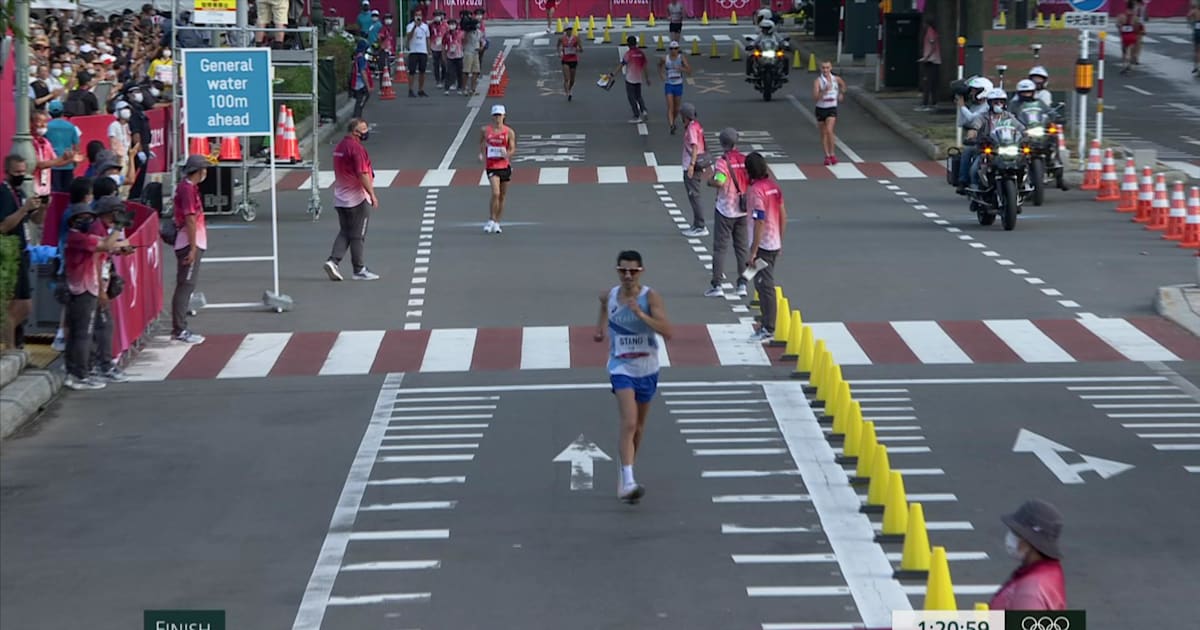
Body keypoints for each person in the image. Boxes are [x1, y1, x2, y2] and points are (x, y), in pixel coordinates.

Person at [593, 250, 673, 504]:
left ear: (641, 272)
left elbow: (667, 331)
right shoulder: (610, 295)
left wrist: (641, 315)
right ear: (617, 270)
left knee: (638, 427)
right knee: (629, 422)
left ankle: (626, 472)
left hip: (647, 368)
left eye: (633, 271)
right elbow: (604, 307)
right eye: (623, 270)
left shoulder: (650, 297)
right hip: (621, 367)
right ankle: (628, 481)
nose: (627, 276)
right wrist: (600, 328)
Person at [62, 195, 130, 390]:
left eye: (89, 217)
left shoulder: (84, 236)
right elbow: (105, 246)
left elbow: (106, 245)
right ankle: (80, 374)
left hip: (86, 287)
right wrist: (118, 228)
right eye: (82, 218)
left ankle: (80, 371)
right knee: (83, 333)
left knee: (83, 332)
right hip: (83, 288)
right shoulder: (78, 237)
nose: (87, 221)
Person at [324, 119, 380, 281]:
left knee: (346, 231)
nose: (366, 131)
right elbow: (362, 173)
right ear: (355, 132)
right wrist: (372, 194)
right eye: (363, 129)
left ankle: (333, 261)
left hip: (340, 197)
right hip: (356, 198)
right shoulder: (356, 149)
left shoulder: (340, 146)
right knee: (358, 235)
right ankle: (359, 268)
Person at [989, 499, 1067, 610]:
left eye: (1016, 533)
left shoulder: (1029, 594)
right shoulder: (1049, 570)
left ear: (1029, 541)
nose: (1010, 537)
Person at [0, 155, 44, 350]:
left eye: (23, 172)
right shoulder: (3, 194)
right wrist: (23, 209)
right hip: (11, 256)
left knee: (23, 305)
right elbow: (4, 226)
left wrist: (42, 208)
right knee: (19, 306)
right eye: (17, 172)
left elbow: (35, 220)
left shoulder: (20, 192)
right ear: (7, 172)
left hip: (23, 253)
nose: (21, 176)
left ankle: (16, 346)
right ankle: (9, 347)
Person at [745, 152, 787, 343]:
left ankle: (768, 327)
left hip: (762, 245)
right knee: (760, 283)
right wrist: (780, 239)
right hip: (773, 242)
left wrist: (753, 252)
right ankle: (766, 324)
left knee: (764, 285)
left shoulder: (755, 191)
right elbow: (783, 215)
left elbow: (759, 221)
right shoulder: (773, 187)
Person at [171, 155, 211, 344]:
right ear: (198, 171)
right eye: (204, 169)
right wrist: (193, 249)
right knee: (185, 286)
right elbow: (190, 219)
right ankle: (179, 329)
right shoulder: (187, 189)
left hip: (191, 242)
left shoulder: (190, 188)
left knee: (187, 286)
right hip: (188, 243)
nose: (206, 173)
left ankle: (180, 327)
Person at [705, 128, 750, 298]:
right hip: (743, 210)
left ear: (722, 143)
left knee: (720, 249)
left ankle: (717, 284)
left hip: (725, 209)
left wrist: (710, 181)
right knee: (741, 249)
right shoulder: (744, 159)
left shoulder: (723, 161)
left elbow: (720, 181)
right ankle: (743, 284)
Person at [965, 88, 1025, 191]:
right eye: (995, 102)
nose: (998, 104)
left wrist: (1029, 135)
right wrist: (971, 136)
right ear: (990, 103)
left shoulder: (1009, 116)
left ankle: (1024, 184)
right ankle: (975, 188)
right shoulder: (983, 117)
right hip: (989, 148)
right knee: (975, 168)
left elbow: (1021, 128)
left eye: (1001, 102)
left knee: (1024, 161)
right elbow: (974, 128)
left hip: (1008, 147)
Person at [480, 105, 516, 234]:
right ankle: (491, 219)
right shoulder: (485, 130)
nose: (497, 118)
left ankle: (497, 222)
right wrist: (481, 154)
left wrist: (506, 154)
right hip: (491, 166)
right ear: (492, 116)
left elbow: (512, 148)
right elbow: (481, 142)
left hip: (504, 166)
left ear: (504, 116)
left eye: (499, 115)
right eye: (495, 115)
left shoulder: (509, 132)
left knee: (502, 196)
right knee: (495, 193)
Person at [955, 75, 993, 193]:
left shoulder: (987, 107)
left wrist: (962, 106)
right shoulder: (974, 106)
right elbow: (962, 122)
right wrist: (961, 108)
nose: (971, 93)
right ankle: (963, 181)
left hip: (991, 140)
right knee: (967, 150)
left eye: (975, 90)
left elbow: (973, 119)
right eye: (971, 90)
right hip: (977, 141)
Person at [679, 102, 708, 238]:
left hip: (691, 165)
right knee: (694, 196)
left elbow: (694, 146)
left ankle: (700, 225)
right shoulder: (697, 125)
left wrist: (691, 165)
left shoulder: (691, 128)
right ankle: (696, 224)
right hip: (698, 164)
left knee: (694, 196)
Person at [45, 100, 83, 193]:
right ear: (62, 112)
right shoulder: (71, 126)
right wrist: (75, 162)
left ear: (49, 113)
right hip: (68, 163)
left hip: (52, 164)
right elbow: (77, 146)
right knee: (66, 194)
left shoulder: (46, 127)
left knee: (54, 193)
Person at [813, 61, 846, 165]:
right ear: (820, 69)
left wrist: (841, 94)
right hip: (820, 109)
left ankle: (832, 154)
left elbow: (843, 85)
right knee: (823, 133)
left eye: (827, 68)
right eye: (823, 68)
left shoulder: (836, 79)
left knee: (829, 130)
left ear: (831, 68)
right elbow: (815, 97)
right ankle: (827, 155)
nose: (825, 70)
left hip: (831, 108)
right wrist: (824, 91)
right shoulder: (818, 81)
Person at [613, 35, 650, 123]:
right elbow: (645, 67)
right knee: (638, 96)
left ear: (628, 44)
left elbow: (622, 65)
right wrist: (647, 78)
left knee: (631, 98)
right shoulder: (641, 53)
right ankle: (644, 110)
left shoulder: (628, 54)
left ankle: (636, 115)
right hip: (638, 78)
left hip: (630, 79)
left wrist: (613, 74)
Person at [658, 41, 690, 134]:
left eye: (675, 49)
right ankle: (671, 125)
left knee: (676, 108)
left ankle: (673, 120)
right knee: (670, 106)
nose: (673, 51)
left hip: (678, 84)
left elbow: (689, 70)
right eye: (671, 49)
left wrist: (682, 69)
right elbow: (659, 65)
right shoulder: (665, 58)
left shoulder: (681, 58)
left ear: (678, 49)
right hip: (669, 84)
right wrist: (661, 74)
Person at [917, 14, 941, 112]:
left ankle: (925, 103)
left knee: (927, 83)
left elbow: (932, 45)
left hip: (930, 60)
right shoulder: (934, 31)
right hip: (935, 60)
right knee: (933, 83)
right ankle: (934, 102)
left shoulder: (930, 31)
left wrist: (925, 57)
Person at [406, 10, 431, 97]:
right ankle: (410, 89)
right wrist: (415, 27)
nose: (418, 17)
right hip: (413, 51)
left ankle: (421, 89)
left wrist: (428, 49)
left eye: (419, 15)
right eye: (416, 15)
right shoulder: (410, 26)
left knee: (422, 71)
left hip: (423, 51)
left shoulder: (425, 26)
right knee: (412, 71)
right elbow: (409, 37)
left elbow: (427, 38)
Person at [349, 39, 373, 119]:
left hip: (356, 83)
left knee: (359, 102)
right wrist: (368, 85)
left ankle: (357, 118)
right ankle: (356, 119)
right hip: (360, 84)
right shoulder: (361, 59)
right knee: (360, 102)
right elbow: (363, 72)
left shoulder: (357, 57)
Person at [557, 25, 582, 101]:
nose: (569, 31)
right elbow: (558, 46)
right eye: (567, 29)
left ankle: (570, 89)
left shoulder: (576, 38)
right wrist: (560, 52)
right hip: (565, 60)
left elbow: (581, 49)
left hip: (573, 60)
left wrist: (578, 49)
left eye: (570, 29)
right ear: (565, 31)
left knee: (572, 80)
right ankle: (567, 93)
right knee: (567, 78)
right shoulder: (562, 39)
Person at [442, 19, 465, 94]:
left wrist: (463, 50)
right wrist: (444, 55)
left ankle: (459, 87)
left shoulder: (461, 33)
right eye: (450, 24)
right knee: (449, 72)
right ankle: (447, 88)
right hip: (450, 55)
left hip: (459, 55)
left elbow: (464, 42)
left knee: (459, 72)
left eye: (453, 24)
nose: (452, 26)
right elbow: (443, 44)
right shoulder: (447, 34)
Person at [428, 11, 447, 89]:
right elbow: (428, 36)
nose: (437, 17)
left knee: (444, 64)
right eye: (436, 16)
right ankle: (438, 80)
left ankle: (443, 79)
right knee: (436, 64)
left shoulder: (445, 25)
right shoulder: (431, 25)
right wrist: (429, 47)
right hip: (434, 47)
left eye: (439, 15)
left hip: (443, 47)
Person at [1189, 1, 1199, 75]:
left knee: (1197, 50)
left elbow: (1188, 16)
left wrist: (1191, 23)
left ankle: (1196, 66)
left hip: (1197, 30)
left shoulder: (1195, 11)